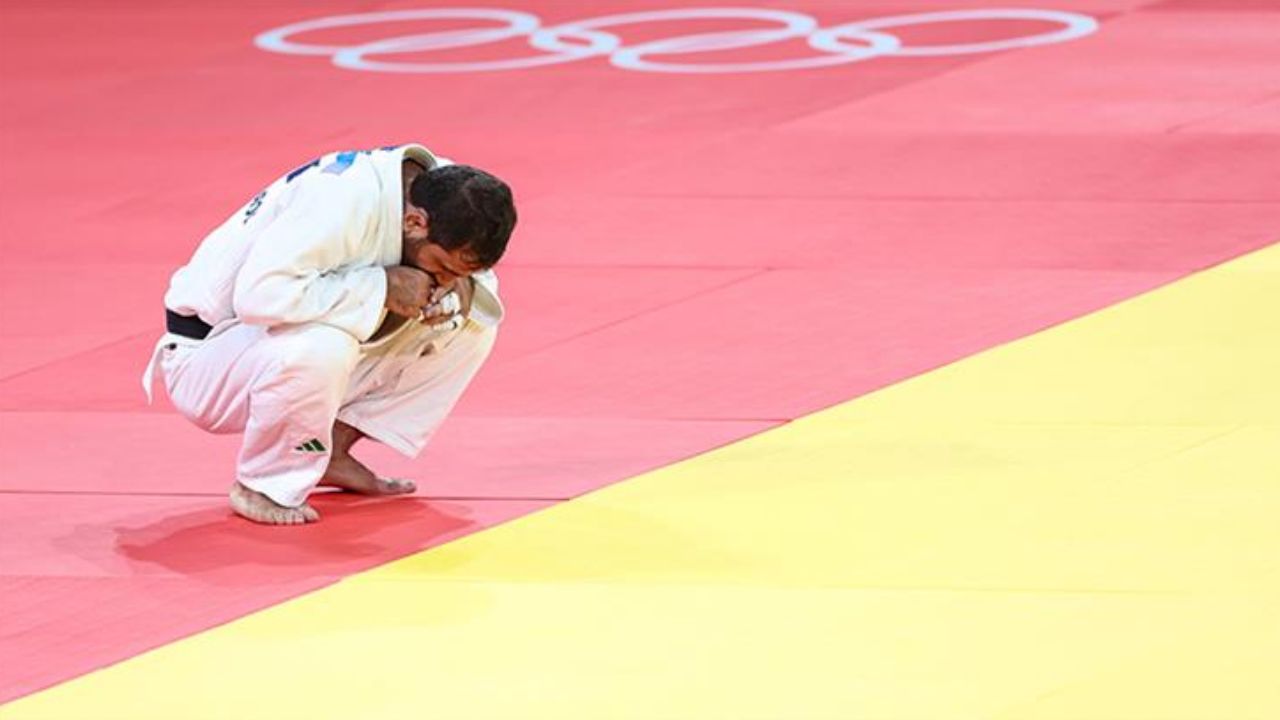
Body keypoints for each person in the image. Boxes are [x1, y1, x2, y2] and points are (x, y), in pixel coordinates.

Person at [141, 144, 516, 525]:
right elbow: (261, 299)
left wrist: (461, 289)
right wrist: (382, 285)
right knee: (324, 344)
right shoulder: (338, 201)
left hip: (270, 339)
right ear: (415, 223)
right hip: (209, 352)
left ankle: (330, 451)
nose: (446, 280)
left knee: (473, 323)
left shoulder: (444, 191)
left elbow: (470, 269)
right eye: (443, 267)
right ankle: (263, 483)